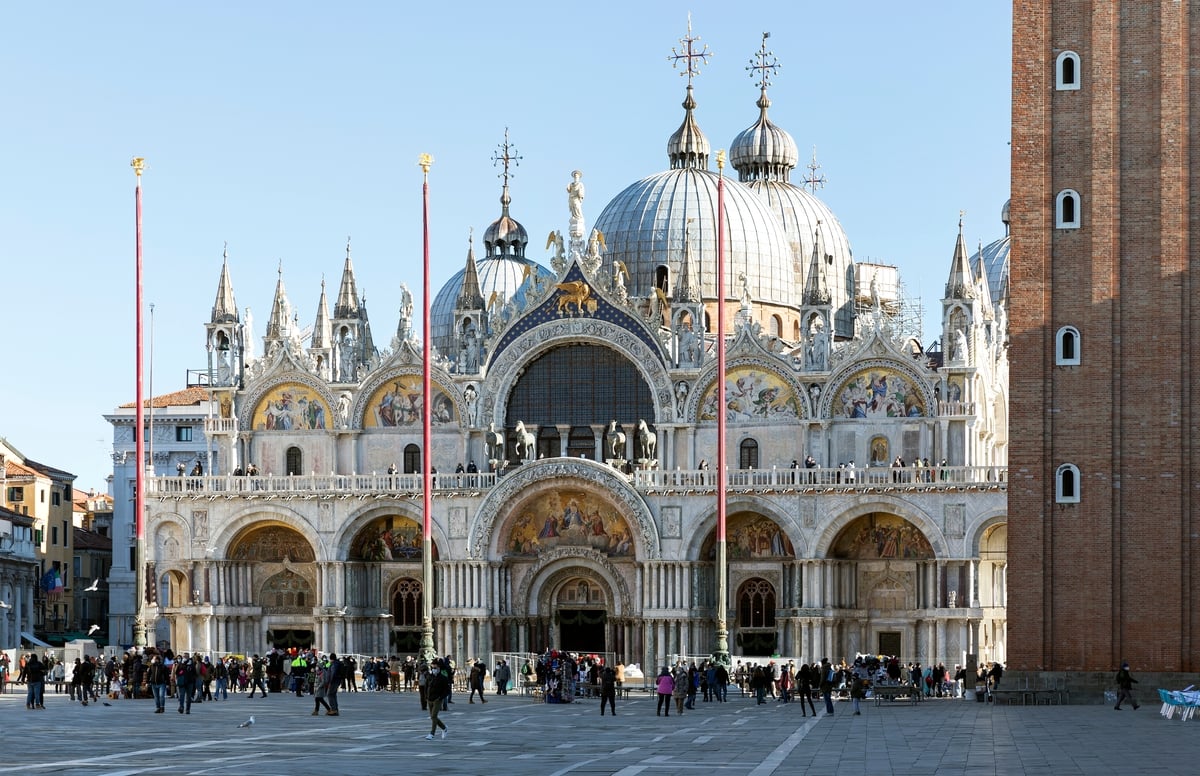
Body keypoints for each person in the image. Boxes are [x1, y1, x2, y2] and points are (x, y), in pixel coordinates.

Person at [425, 658, 450, 740]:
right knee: (433, 717)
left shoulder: (443, 678)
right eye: (432, 668)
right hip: (430, 699)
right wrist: (426, 696)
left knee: (434, 715)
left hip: (437, 699)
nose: (433, 670)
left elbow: (447, 690)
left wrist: (440, 698)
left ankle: (432, 733)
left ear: (439, 668)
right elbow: (426, 687)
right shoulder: (430, 677)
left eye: (435, 668)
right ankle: (444, 728)